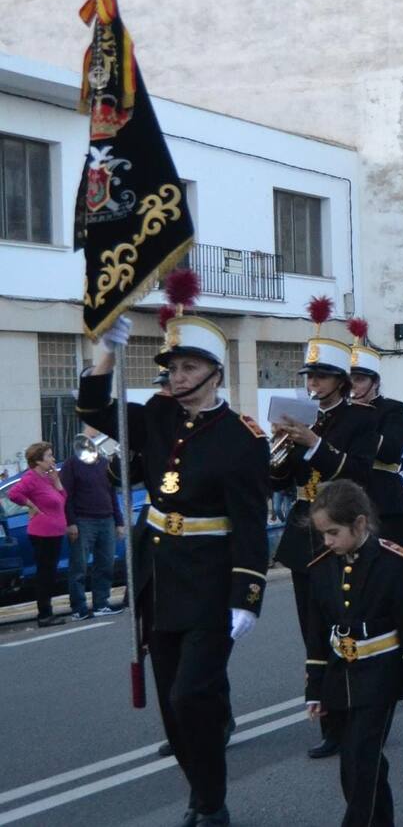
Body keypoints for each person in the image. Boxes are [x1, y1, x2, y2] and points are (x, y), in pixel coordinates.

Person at [77, 291, 269, 827]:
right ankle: (201, 793)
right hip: (158, 578)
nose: (177, 377)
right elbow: (95, 410)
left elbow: (251, 525)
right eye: (173, 367)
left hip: (210, 584)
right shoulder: (158, 416)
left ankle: (212, 801)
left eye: (189, 367)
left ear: (214, 374)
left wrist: (248, 595)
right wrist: (106, 355)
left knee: (193, 695)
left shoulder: (243, 438)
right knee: (170, 705)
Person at [272, 297, 376, 760]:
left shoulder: (361, 419)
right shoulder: (299, 419)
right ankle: (330, 720)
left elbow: (359, 474)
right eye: (309, 377)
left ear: (340, 381)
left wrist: (313, 443)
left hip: (344, 533)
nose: (312, 384)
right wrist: (275, 446)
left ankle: (363, 709)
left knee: (349, 624)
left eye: (320, 377)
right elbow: (276, 478)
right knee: (313, 631)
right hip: (304, 535)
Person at [305, 480, 403, 826]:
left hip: (380, 674)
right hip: (339, 676)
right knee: (358, 764)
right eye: (323, 534)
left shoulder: (392, 563)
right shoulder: (319, 569)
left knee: (361, 761)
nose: (327, 542)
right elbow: (316, 637)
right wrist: (314, 689)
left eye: (333, 532)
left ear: (359, 524)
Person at [348, 319, 403, 548]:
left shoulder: (393, 409)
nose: (353, 386)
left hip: (387, 502)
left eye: (359, 380)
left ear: (375, 382)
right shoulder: (342, 413)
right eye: (348, 380)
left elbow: (391, 451)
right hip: (349, 503)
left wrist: (357, 421)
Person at [61, 427, 125, 620]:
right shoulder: (71, 464)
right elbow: (66, 496)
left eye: (97, 437)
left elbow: (112, 494)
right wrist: (71, 522)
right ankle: (79, 608)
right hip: (83, 520)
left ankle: (101, 603)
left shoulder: (105, 463)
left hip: (106, 520)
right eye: (92, 437)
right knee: (79, 567)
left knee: (105, 564)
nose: (95, 440)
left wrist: (118, 522)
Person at [9, 442, 68, 627]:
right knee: (44, 575)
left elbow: (62, 500)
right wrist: (31, 505)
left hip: (55, 532)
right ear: (38, 461)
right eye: (49, 456)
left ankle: (47, 612)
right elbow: (13, 494)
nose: (53, 459)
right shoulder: (31, 478)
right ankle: (44, 615)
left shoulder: (47, 478)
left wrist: (57, 481)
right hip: (42, 533)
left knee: (50, 575)